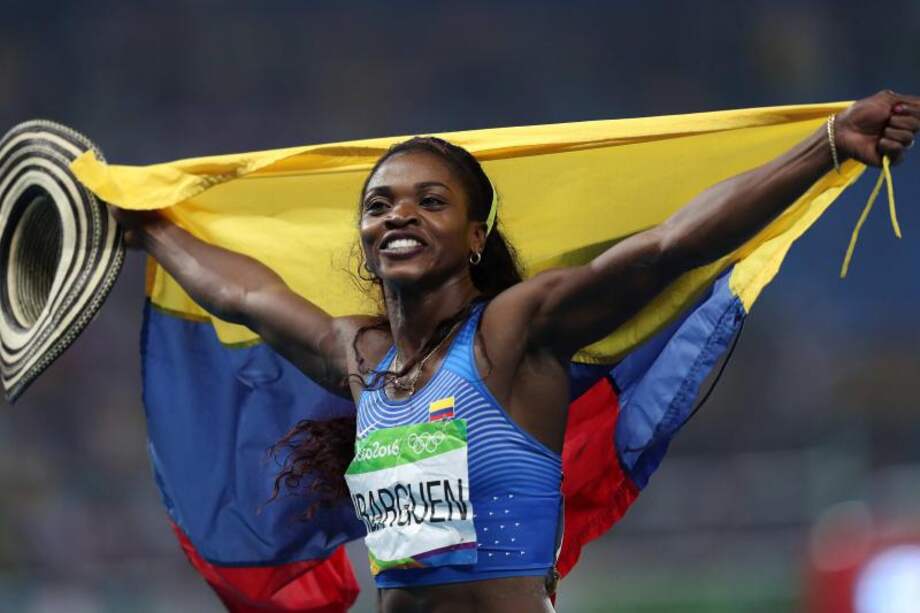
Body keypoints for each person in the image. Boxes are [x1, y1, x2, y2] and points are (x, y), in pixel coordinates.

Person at [112, 90, 918, 613]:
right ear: (362, 234)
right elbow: (244, 295)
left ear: (474, 236)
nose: (401, 215)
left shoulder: (512, 331)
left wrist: (826, 147)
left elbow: (668, 246)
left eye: (432, 201)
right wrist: (144, 224)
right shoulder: (363, 358)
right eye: (381, 203)